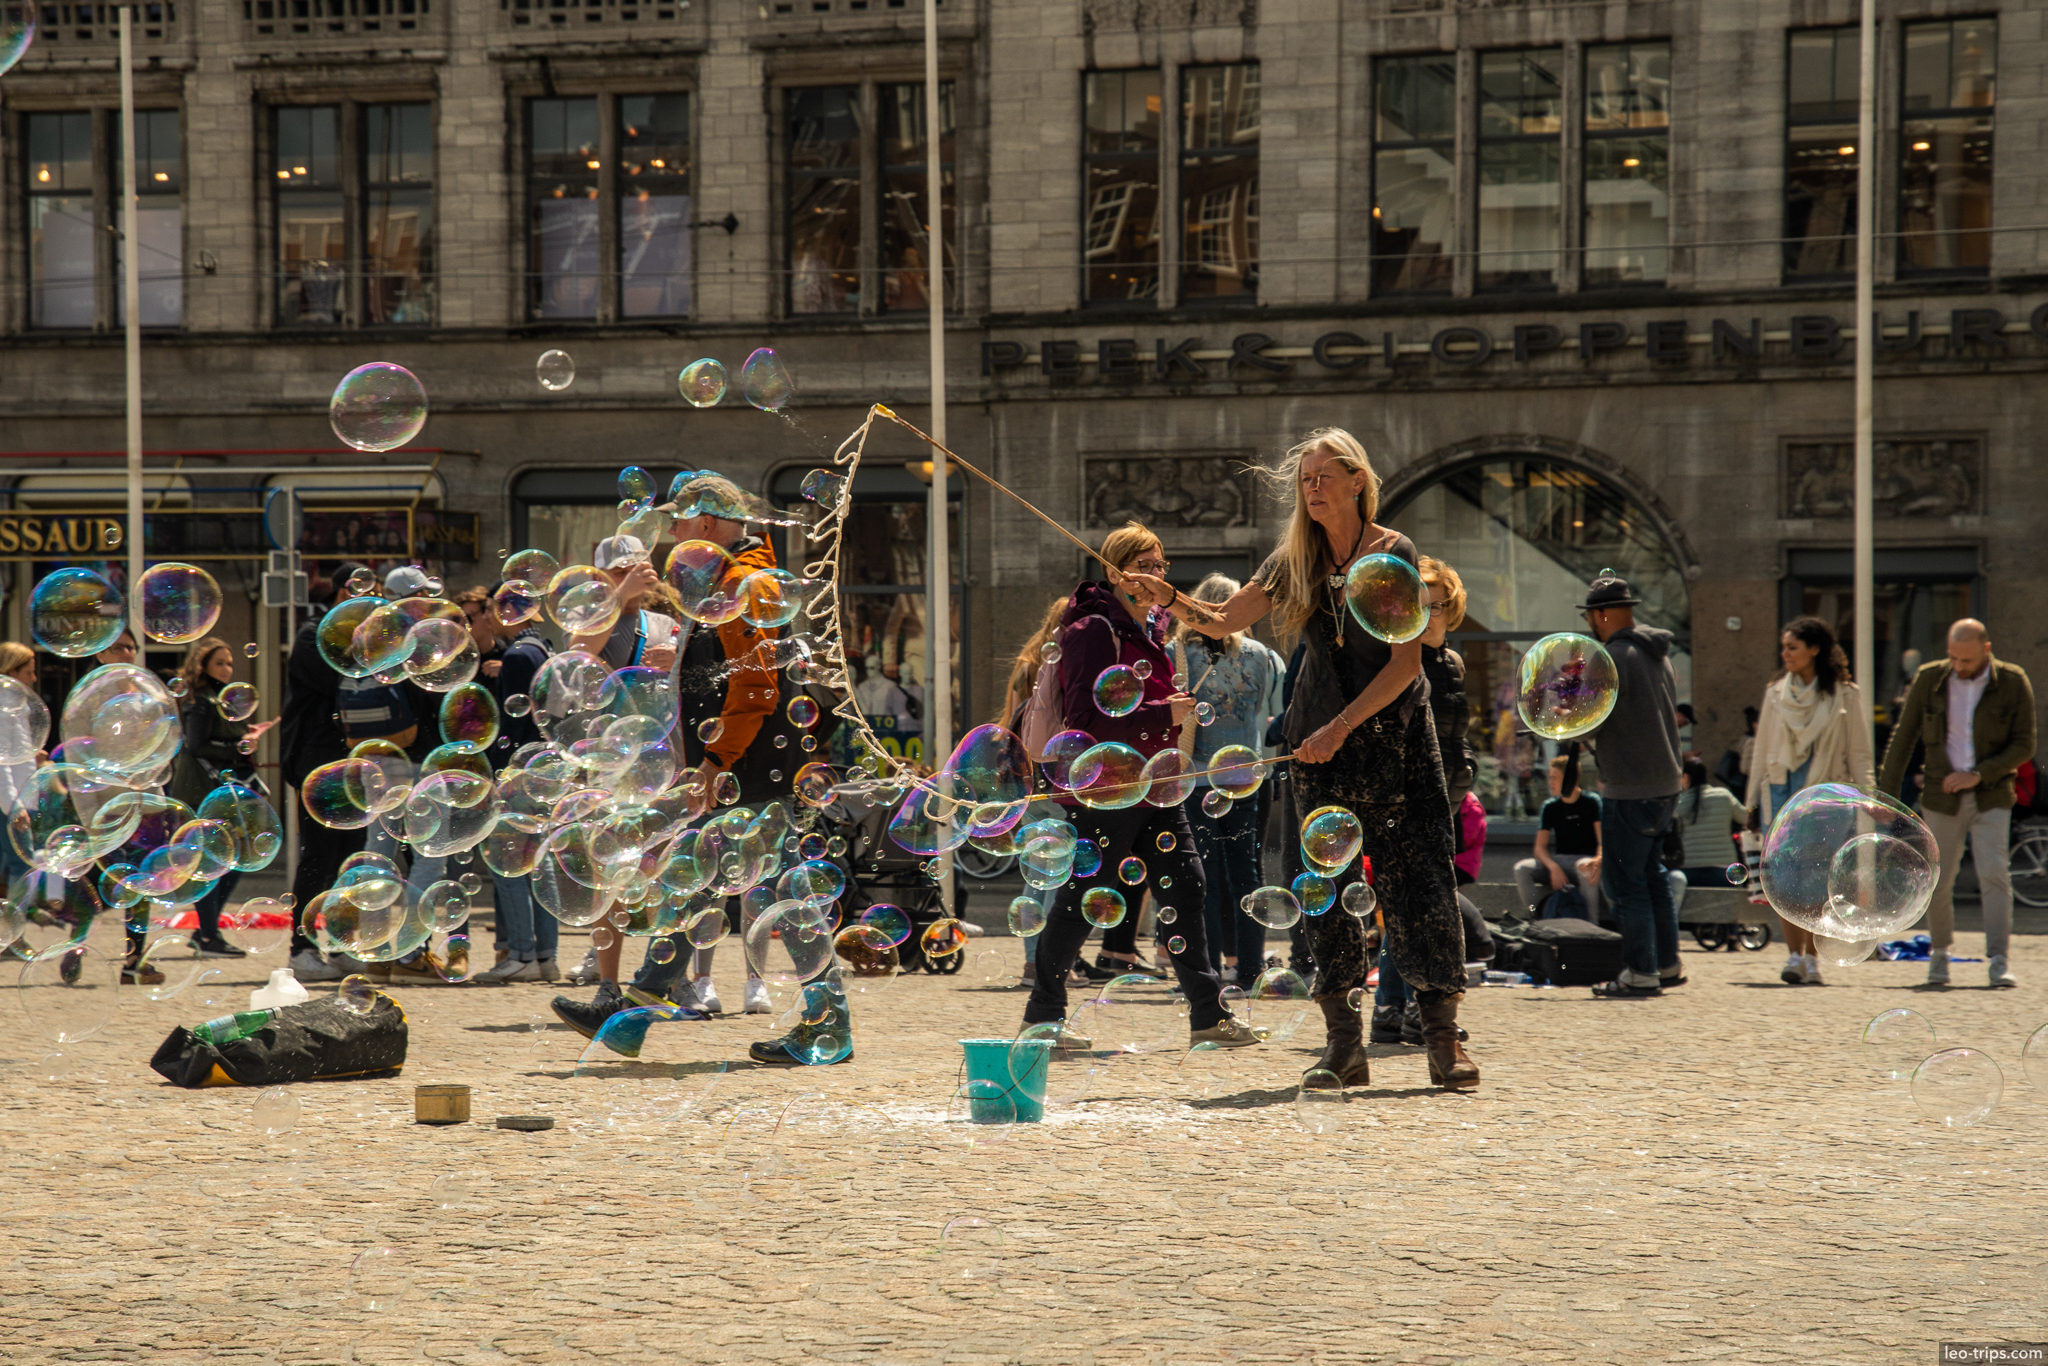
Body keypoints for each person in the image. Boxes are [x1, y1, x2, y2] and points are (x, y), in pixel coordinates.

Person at [1142, 429, 1475, 1090]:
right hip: (1320, 744)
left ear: (1358, 480)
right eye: (1305, 479)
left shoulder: (1392, 552)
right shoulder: (1295, 557)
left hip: (1396, 741)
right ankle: (1344, 1045)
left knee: (1422, 887)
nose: (1313, 487)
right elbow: (1221, 618)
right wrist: (1168, 596)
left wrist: (1340, 728)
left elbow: (1406, 665)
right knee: (1326, 896)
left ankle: (1443, 1042)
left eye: (1325, 475)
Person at [556, 475, 836, 1066]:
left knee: (785, 895)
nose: (672, 534)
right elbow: (733, 676)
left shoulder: (742, 583)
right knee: (696, 885)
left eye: (679, 523)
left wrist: (714, 762)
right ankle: (631, 1016)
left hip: (750, 770)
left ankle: (828, 1027)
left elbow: (755, 689)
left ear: (706, 525)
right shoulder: (729, 583)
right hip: (744, 767)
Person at [1019, 521, 1260, 1053]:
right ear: (1114, 572)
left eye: (1160, 566)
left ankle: (1209, 1016)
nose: (1155, 575)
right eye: (1143, 566)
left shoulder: (1150, 627)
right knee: (1083, 897)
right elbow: (1087, 719)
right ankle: (1043, 1019)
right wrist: (1162, 713)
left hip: (1155, 781)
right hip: (1108, 784)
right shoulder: (1092, 629)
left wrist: (1168, 714)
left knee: (1188, 884)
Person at [1879, 618, 2037, 989]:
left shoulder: (2012, 681)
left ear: (1986, 649)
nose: (1958, 666)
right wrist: (1886, 795)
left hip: (1991, 794)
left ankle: (1999, 960)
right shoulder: (1930, 679)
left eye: (1966, 660)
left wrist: (1979, 774)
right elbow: (1903, 737)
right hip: (1941, 796)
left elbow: (2025, 743)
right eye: (1953, 658)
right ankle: (1939, 955)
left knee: (1994, 874)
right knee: (1938, 879)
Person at [1744, 615, 1873, 986]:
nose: (1785, 654)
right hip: (1779, 793)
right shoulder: (1775, 692)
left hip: (1825, 797)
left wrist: (1869, 796)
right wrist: (1750, 802)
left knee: (1818, 881)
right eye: (1783, 647)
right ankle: (1794, 956)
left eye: (1793, 647)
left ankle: (1814, 959)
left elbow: (1859, 752)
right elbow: (1761, 750)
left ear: (1815, 649)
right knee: (1784, 881)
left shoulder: (1845, 695)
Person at [1578, 572, 1685, 999]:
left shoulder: (1612, 659)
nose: (1589, 623)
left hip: (1630, 786)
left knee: (1625, 883)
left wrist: (1563, 718)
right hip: (1665, 783)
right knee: (1653, 876)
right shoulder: (1656, 654)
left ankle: (1641, 972)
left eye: (1589, 615)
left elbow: (1588, 721)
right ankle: (1667, 964)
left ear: (1602, 614)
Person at [1175, 573, 1285, 987]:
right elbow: (1264, 712)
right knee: (1247, 876)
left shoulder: (1177, 653)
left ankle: (1208, 970)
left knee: (1204, 878)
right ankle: (1251, 968)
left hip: (1198, 776)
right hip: (1245, 775)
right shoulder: (1261, 655)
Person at [462, 585, 560, 983]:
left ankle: (520, 953)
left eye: (490, 609)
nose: (487, 617)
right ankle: (546, 957)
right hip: (543, 768)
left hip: (518, 771)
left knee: (508, 862)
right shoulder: (541, 647)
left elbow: (512, 725)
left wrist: (496, 772)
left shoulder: (518, 654)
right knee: (540, 862)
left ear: (507, 611)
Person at [281, 562, 373, 983]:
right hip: (319, 758)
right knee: (319, 854)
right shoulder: (312, 635)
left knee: (349, 855)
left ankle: (341, 942)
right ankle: (301, 949)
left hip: (355, 760)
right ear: (341, 594)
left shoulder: (365, 643)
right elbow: (340, 679)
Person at [171, 636, 278, 958]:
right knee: (213, 864)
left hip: (223, 791)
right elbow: (196, 745)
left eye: (230, 663)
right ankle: (208, 936)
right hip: (202, 790)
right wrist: (238, 746)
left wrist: (248, 736)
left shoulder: (223, 700)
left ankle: (206, 931)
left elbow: (223, 738)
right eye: (219, 663)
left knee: (236, 860)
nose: (227, 669)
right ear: (203, 665)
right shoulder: (201, 701)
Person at [998, 594, 1071, 989]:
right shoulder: (1068, 664)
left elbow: (1011, 724)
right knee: (1057, 874)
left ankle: (1032, 961)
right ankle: (1051, 962)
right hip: (1059, 776)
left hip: (1027, 778)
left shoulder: (1026, 665)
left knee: (1036, 872)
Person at [1513, 755, 1603, 920]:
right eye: (1549, 777)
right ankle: (1535, 918)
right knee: (1522, 868)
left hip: (1585, 862)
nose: (1550, 782)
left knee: (1585, 866)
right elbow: (1539, 848)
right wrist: (1553, 867)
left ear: (1569, 779)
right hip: (1560, 862)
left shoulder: (1592, 801)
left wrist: (1598, 859)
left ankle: (1592, 924)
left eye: (1554, 778)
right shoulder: (1550, 806)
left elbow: (1602, 841)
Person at [1667, 756, 1747, 916]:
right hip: (1725, 874)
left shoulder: (1678, 803)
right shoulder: (1724, 795)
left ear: (1685, 777)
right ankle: (1733, 928)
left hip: (1689, 873)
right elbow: (1746, 818)